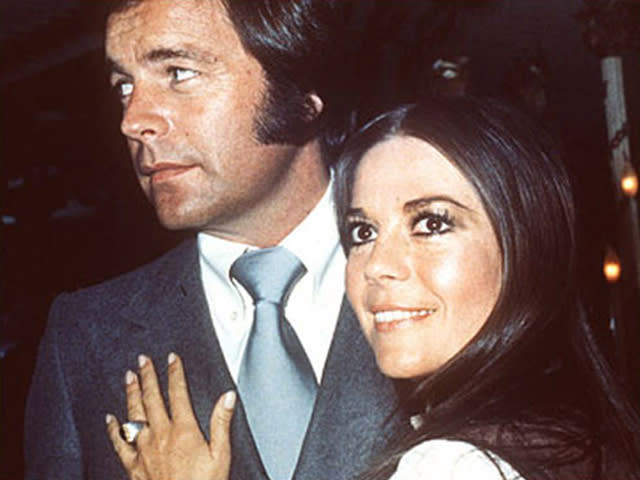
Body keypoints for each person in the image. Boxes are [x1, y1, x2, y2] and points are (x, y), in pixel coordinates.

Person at [106, 97, 640, 480]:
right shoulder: (581, 430)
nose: (376, 265)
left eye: (431, 223)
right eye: (361, 233)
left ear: (528, 245)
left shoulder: (454, 466)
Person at [23, 1, 416, 479]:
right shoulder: (84, 337)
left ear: (304, 92)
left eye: (178, 73)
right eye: (124, 86)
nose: (132, 119)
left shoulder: (453, 281)